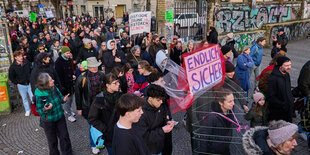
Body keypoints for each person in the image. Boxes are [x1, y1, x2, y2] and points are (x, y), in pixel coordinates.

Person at [35, 73, 72, 155]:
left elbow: (60, 97)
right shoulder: (39, 95)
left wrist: (64, 99)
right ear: (46, 85)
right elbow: (39, 110)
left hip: (60, 117)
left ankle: (67, 153)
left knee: (64, 137)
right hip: (48, 121)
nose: (53, 80)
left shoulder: (54, 88)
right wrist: (45, 109)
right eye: (51, 80)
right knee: (52, 141)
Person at [134, 84, 175, 154]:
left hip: (159, 147)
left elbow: (164, 117)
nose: (161, 102)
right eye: (158, 100)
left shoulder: (160, 106)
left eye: (162, 100)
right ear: (150, 99)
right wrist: (162, 130)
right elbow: (143, 137)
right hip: (148, 150)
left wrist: (167, 122)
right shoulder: (140, 113)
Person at [88, 73, 122, 155]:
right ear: (107, 85)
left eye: (118, 82)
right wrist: (105, 129)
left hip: (121, 132)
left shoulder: (120, 95)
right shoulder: (99, 99)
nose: (118, 84)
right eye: (115, 83)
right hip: (109, 136)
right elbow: (92, 118)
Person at [75, 57, 103, 154]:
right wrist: (79, 108)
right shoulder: (81, 78)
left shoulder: (101, 75)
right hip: (89, 107)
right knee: (93, 127)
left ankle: (100, 142)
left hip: (101, 105)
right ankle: (93, 145)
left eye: (96, 66)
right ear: (89, 67)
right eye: (92, 66)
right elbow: (78, 94)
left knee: (101, 125)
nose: (95, 68)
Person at [199, 87, 235, 154]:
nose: (233, 104)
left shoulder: (229, 112)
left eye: (233, 100)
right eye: (230, 101)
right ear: (221, 102)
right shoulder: (211, 118)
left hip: (225, 150)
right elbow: (203, 139)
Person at [267, 56, 294, 122]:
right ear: (280, 66)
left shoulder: (287, 75)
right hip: (278, 113)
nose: (289, 67)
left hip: (288, 110)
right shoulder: (273, 78)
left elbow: (288, 91)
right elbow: (270, 97)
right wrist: (283, 104)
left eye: (290, 65)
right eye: (286, 65)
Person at [55, 46, 76, 122]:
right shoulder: (58, 62)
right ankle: (69, 115)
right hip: (64, 85)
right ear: (63, 53)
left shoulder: (69, 60)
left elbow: (70, 70)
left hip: (70, 83)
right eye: (67, 53)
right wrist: (61, 86)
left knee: (71, 99)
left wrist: (72, 75)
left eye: (69, 52)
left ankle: (69, 110)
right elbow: (58, 76)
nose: (69, 54)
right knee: (67, 99)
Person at [9, 50, 33, 116]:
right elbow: (11, 77)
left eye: (21, 56)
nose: (21, 57)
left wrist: (31, 79)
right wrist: (17, 83)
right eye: (19, 56)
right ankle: (27, 110)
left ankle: (35, 109)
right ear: (15, 58)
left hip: (29, 83)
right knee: (24, 98)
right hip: (21, 85)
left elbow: (31, 70)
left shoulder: (26, 63)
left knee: (32, 97)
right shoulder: (13, 67)